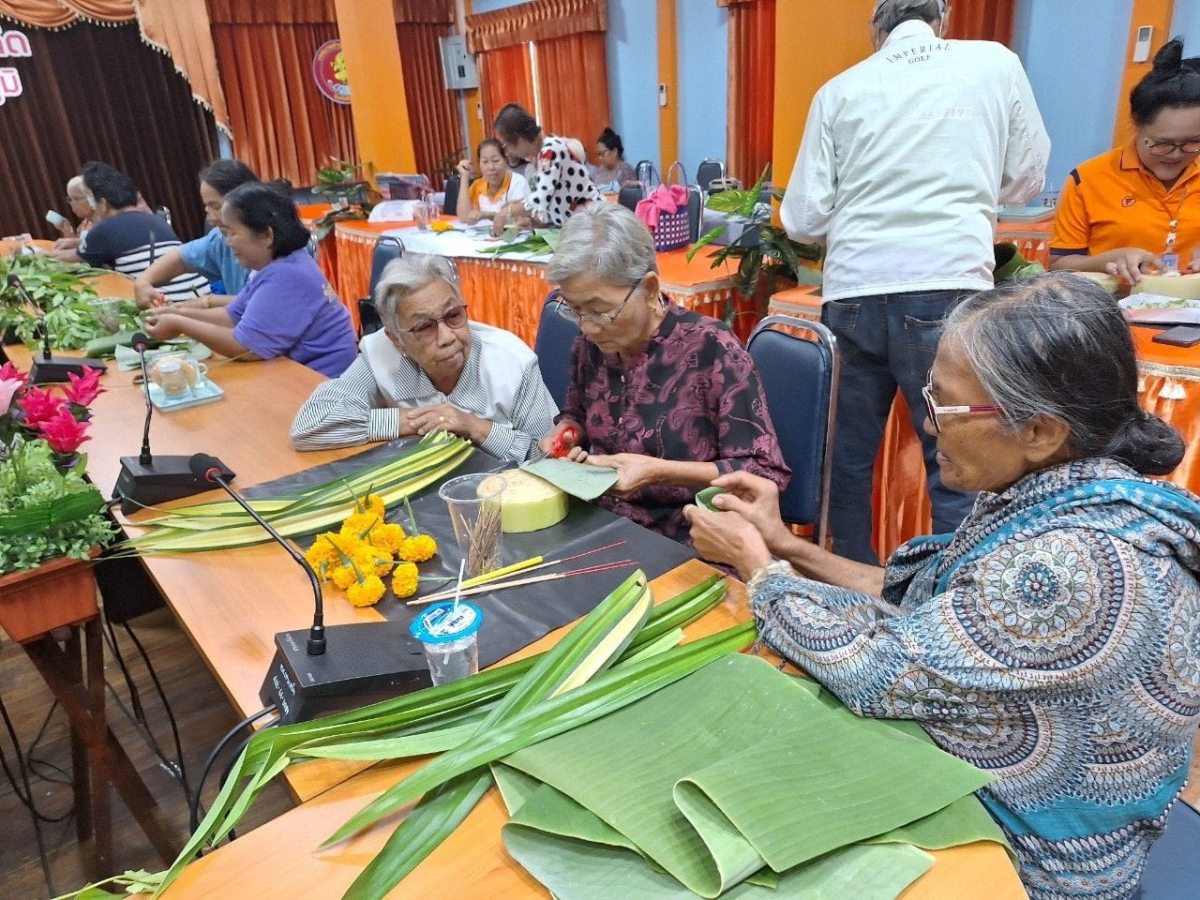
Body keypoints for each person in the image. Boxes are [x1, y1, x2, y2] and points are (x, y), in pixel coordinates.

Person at [685, 273, 1200, 900]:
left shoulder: (1078, 566)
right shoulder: (1064, 491)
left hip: (1035, 859)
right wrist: (786, 545)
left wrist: (760, 570)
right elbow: (923, 605)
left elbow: (881, 667)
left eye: (944, 407)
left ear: (1039, 430)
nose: (928, 427)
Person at [780, 0, 1050, 566]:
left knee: (843, 461)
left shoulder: (840, 89)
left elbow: (802, 218)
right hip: (948, 283)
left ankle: (844, 589)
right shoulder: (993, 62)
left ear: (876, 30)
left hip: (853, 291)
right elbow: (1026, 177)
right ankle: (954, 602)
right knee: (958, 458)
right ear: (943, 19)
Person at [539, 203, 789, 543]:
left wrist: (658, 473)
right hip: (600, 520)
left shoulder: (711, 349)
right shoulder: (591, 343)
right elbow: (577, 412)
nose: (587, 326)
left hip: (692, 536)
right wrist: (568, 431)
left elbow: (760, 472)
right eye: (574, 309)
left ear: (650, 288)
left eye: (600, 310)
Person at [290, 254, 557, 460]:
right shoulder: (381, 353)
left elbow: (547, 456)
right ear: (397, 340)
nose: (447, 337)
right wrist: (413, 420)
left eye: (453, 316)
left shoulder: (511, 360)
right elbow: (311, 424)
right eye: (424, 327)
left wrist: (473, 426)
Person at [144, 183, 356, 378]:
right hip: (296, 375)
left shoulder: (288, 275)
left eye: (231, 233)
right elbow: (232, 315)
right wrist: (176, 312)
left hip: (323, 384)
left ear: (266, 235)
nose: (227, 243)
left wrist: (179, 323)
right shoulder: (275, 265)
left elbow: (245, 348)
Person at [1050, 39, 1200, 283]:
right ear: (1136, 125)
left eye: (1193, 142)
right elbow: (1058, 267)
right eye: (1162, 144)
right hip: (1114, 310)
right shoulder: (1089, 179)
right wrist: (1112, 258)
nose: (1176, 154)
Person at [63, 163, 212, 302]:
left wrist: (40, 252)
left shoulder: (104, 229)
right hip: (201, 299)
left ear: (103, 204)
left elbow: (65, 262)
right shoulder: (156, 220)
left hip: (167, 306)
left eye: (91, 201)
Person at [134, 159, 259, 309]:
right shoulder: (219, 238)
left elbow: (260, 304)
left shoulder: (272, 245)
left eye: (215, 206)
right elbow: (181, 257)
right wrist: (143, 282)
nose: (208, 214)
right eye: (206, 206)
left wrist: (203, 304)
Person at [491, 103, 601, 235]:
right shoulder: (538, 156)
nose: (507, 152)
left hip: (592, 224)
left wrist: (507, 212)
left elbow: (540, 199)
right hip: (574, 226)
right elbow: (550, 199)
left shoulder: (550, 151)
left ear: (520, 140)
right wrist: (532, 218)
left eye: (505, 146)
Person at [454, 138, 531, 225]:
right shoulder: (478, 185)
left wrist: (487, 215)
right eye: (485, 162)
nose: (491, 167)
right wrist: (464, 177)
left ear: (505, 160)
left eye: (496, 161)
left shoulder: (518, 182)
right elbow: (464, 218)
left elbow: (517, 219)